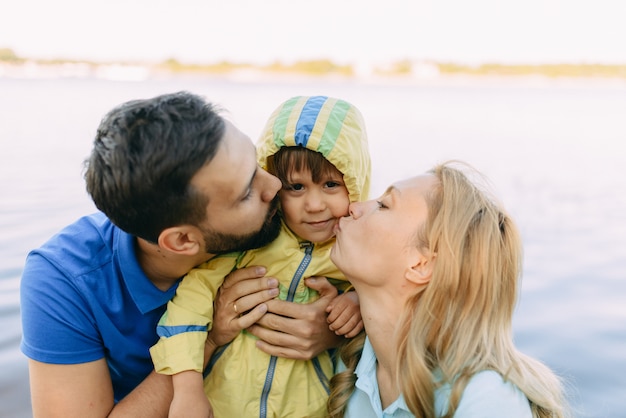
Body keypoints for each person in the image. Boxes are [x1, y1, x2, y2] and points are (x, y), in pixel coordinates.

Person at [19, 91, 345, 418]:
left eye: (256, 162)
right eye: (247, 192)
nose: (275, 185)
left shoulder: (278, 222)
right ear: (183, 241)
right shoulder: (62, 280)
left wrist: (336, 329)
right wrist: (209, 338)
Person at [149, 95, 371, 418]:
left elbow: (394, 291)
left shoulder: (361, 249)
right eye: (296, 187)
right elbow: (189, 304)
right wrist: (187, 390)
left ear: (355, 182)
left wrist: (357, 303)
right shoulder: (253, 239)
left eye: (330, 184)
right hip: (223, 405)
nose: (314, 204)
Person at [327, 161, 569, 418]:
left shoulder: (486, 399)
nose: (353, 207)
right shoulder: (350, 362)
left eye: (384, 205)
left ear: (421, 264)